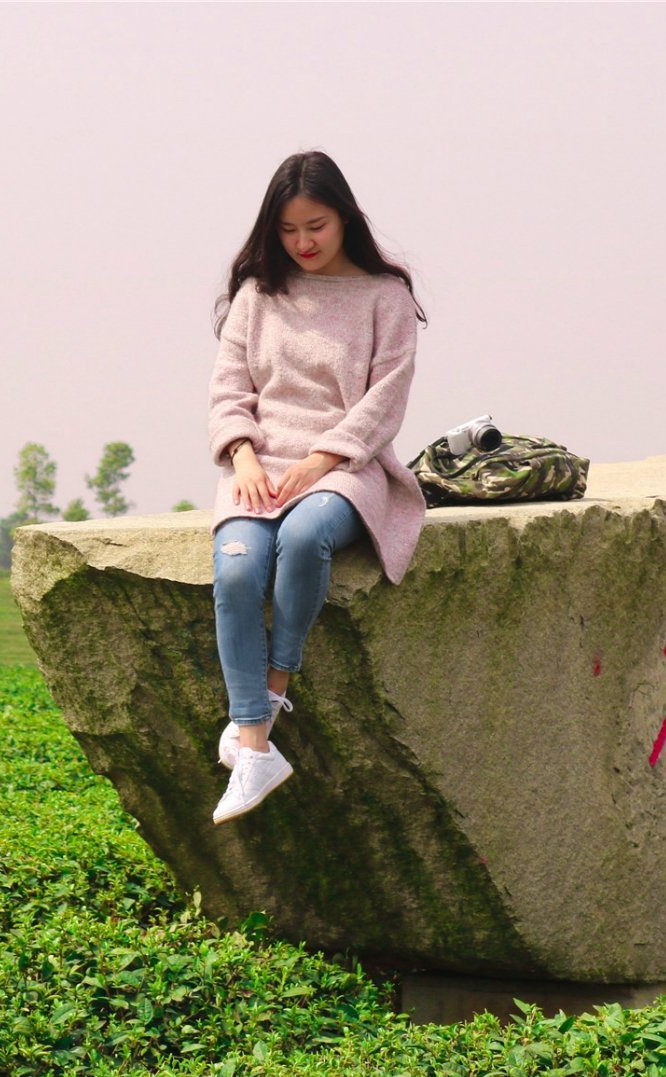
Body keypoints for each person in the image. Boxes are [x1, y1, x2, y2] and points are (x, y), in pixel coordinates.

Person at [205, 150, 430, 825]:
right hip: (258, 467)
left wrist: (320, 461)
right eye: (288, 230)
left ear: (345, 219)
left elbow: (385, 402)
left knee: (304, 538)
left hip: (347, 469)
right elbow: (228, 390)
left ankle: (270, 694)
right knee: (237, 569)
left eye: (316, 226)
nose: (302, 242)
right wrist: (243, 458)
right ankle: (257, 747)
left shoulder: (385, 298)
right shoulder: (257, 296)